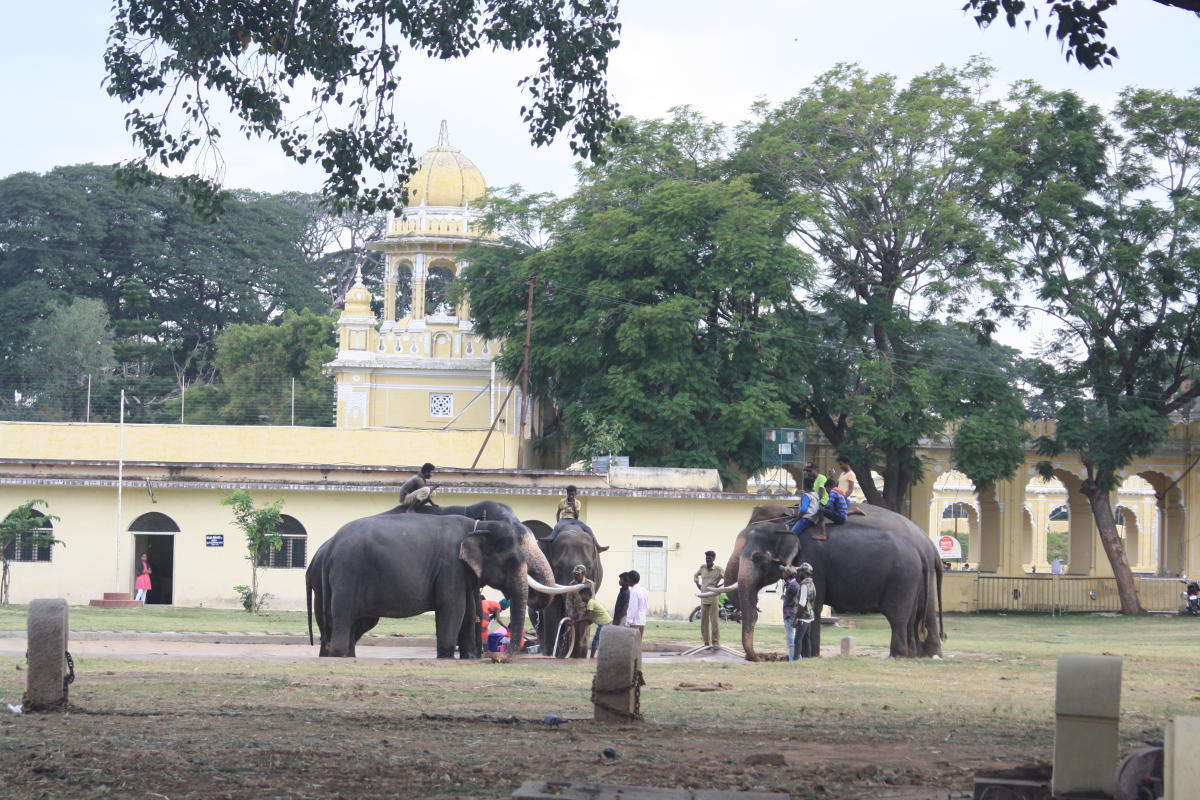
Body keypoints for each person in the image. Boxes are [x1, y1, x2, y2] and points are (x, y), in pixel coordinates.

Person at [551, 486, 609, 551]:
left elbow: (577, 516)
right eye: (569, 494)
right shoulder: (562, 501)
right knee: (556, 527)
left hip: (574, 520)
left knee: (588, 529)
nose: (571, 496)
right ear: (567, 494)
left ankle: (598, 547)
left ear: (575, 494)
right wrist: (558, 522)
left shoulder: (578, 503)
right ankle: (549, 541)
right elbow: (558, 512)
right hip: (564, 519)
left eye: (573, 494)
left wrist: (573, 506)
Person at [693, 550, 724, 648]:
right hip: (703, 597)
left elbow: (727, 579)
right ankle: (706, 643)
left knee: (714, 621)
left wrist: (718, 588)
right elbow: (695, 575)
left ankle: (715, 643)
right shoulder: (702, 568)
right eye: (706, 558)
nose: (708, 560)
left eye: (710, 558)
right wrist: (698, 583)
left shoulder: (718, 570)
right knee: (703, 622)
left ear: (714, 559)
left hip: (713, 598)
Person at [577, 586, 612, 658]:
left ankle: (592, 657)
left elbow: (588, 617)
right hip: (606, 622)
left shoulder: (590, 603)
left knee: (596, 640)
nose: (581, 598)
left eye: (581, 596)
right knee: (602, 640)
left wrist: (574, 621)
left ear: (587, 595)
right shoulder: (590, 603)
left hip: (604, 623)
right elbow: (588, 617)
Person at [793, 562, 817, 659]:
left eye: (801, 571)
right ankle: (807, 659)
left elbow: (802, 603)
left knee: (798, 640)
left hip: (803, 617)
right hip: (810, 616)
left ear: (805, 572)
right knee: (806, 640)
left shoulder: (804, 585)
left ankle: (795, 660)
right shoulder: (812, 584)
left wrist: (796, 618)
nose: (799, 573)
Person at [781, 567, 801, 661]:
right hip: (791, 614)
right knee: (791, 638)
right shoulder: (791, 585)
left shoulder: (793, 585)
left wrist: (788, 600)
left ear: (788, 574)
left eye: (784, 573)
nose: (782, 574)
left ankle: (794, 659)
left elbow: (794, 601)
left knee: (791, 639)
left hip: (790, 614)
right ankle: (795, 658)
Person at [624, 569, 649, 639]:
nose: (627, 581)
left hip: (634, 622)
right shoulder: (644, 590)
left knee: (632, 643)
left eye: (628, 579)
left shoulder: (633, 591)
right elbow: (646, 606)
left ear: (631, 580)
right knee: (638, 643)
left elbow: (632, 608)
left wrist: (628, 621)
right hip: (642, 620)